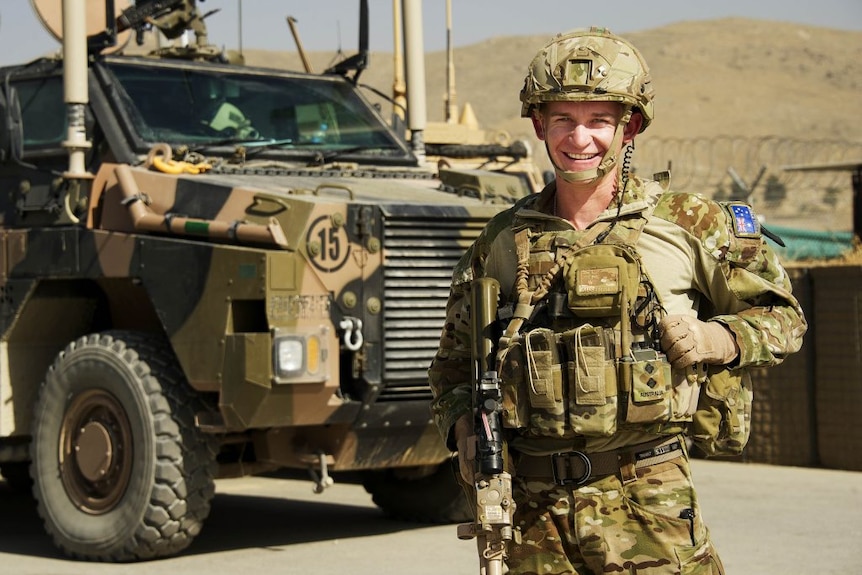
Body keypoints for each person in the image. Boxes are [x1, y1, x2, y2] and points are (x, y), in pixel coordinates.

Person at [428, 27, 807, 574]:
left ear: (630, 126)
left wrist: (717, 338)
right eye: (563, 119)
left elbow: (784, 317)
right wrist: (463, 428)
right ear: (539, 124)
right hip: (531, 512)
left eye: (598, 121)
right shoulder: (502, 241)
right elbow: (451, 366)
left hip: (647, 501)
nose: (579, 139)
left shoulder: (687, 222)